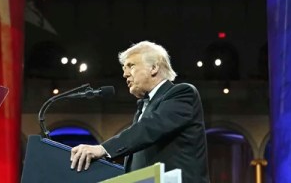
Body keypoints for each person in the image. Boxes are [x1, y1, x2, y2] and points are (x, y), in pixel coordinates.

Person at [70, 41, 210, 182]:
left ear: (154, 67)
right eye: (124, 68)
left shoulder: (182, 93)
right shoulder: (143, 105)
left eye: (131, 66)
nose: (125, 74)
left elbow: (149, 128)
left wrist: (103, 149)